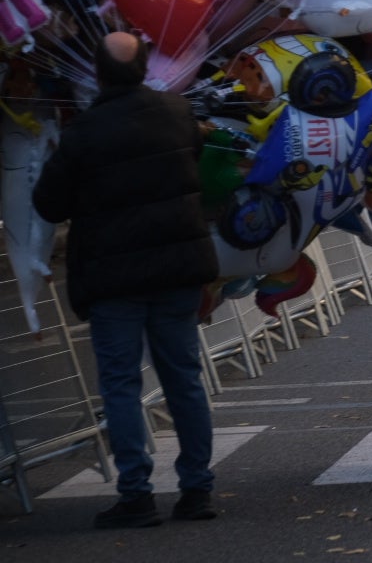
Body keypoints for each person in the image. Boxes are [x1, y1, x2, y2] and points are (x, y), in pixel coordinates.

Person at [32, 32, 220, 528]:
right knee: (184, 379)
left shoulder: (84, 132)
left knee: (120, 383)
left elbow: (48, 203)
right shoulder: (179, 115)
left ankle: (136, 493)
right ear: (143, 68)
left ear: (97, 73)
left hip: (114, 276)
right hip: (178, 269)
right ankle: (197, 488)